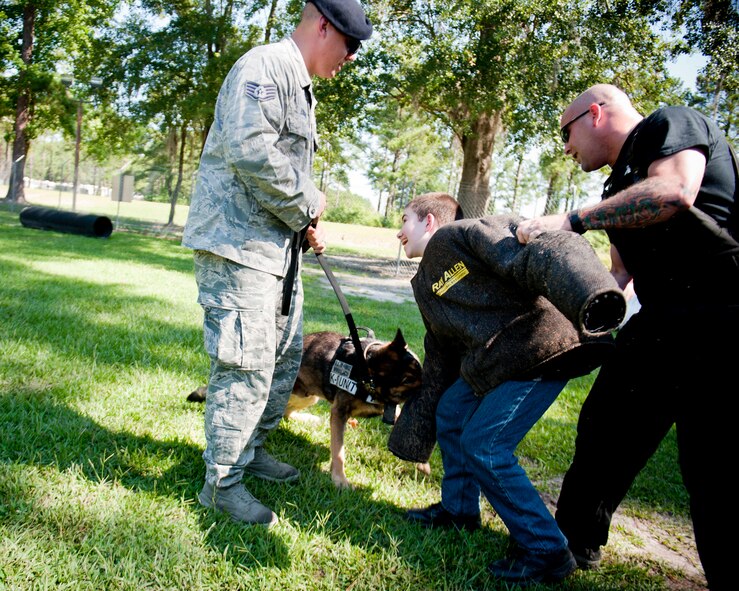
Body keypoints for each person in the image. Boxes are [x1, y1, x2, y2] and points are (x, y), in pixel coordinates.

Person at [516, 84, 738, 590]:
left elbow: (673, 193)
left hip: (724, 316)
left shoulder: (669, 124)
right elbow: (618, 277)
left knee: (711, 467)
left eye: (566, 132)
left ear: (595, 113)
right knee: (603, 428)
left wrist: (570, 221)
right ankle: (572, 543)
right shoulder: (614, 187)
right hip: (660, 321)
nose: (566, 148)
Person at [181, 0, 373, 526]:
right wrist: (307, 200)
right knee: (245, 366)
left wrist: (300, 220)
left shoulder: (298, 85)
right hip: (239, 247)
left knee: (284, 362)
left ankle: (251, 451)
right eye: (350, 44)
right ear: (323, 26)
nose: (351, 57)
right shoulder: (265, 66)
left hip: (274, 252)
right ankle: (222, 482)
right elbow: (248, 147)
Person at [387, 192, 627, 585]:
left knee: (486, 445)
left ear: (429, 222)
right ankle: (460, 510)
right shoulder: (427, 281)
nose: (400, 231)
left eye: (405, 220)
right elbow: (441, 354)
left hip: (542, 348)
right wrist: (413, 427)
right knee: (451, 411)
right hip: (501, 360)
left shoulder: (459, 236)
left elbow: (533, 246)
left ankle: (547, 550)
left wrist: (592, 294)